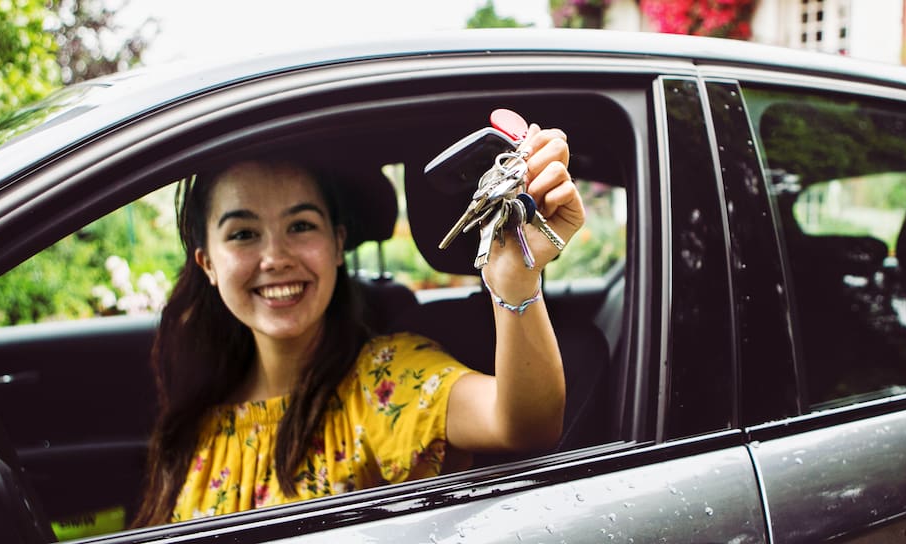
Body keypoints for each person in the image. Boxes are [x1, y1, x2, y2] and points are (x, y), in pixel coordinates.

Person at [132, 123, 585, 526]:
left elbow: (524, 424)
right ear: (208, 263)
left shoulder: (382, 381)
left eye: (301, 226)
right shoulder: (196, 409)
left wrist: (515, 280)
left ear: (337, 244)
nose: (275, 258)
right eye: (243, 234)